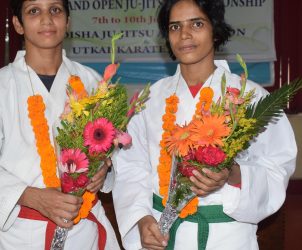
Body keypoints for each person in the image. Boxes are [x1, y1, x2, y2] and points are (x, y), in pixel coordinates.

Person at [112, 0, 297, 249]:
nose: (185, 34)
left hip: (228, 237)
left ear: (215, 30)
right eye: (175, 27)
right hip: (163, 235)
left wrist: (233, 174)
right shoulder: (151, 99)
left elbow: (277, 167)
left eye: (197, 24)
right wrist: (141, 219)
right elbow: (131, 167)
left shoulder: (251, 98)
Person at [0, 0, 120, 249]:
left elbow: (115, 148)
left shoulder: (91, 83)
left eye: (55, 10)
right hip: (21, 233)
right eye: (34, 11)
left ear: (68, 21)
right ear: (18, 24)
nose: (46, 19)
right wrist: (32, 196)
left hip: (83, 230)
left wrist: (104, 168)